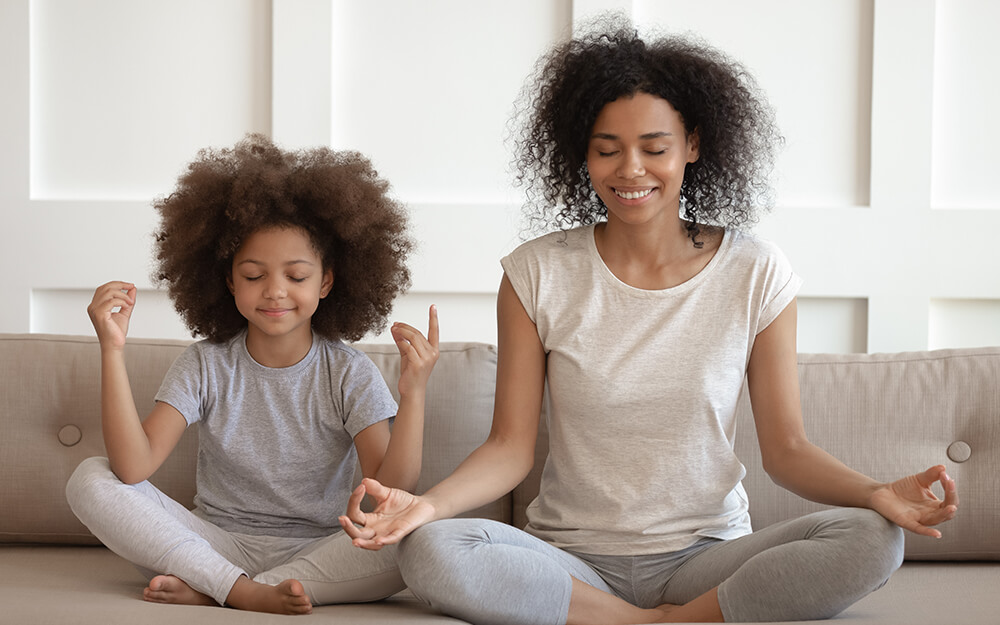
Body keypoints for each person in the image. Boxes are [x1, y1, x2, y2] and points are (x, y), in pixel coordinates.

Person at [337, 17, 959, 625]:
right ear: (581, 154)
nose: (630, 170)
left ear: (693, 145)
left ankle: (678, 614)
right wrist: (426, 506)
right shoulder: (536, 273)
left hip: (707, 556)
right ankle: (654, 620)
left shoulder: (756, 272)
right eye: (607, 150)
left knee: (873, 536)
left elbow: (788, 451)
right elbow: (509, 449)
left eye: (654, 148)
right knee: (430, 547)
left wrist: (875, 492)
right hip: (570, 558)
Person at [65, 134, 439, 615]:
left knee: (420, 530)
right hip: (212, 542)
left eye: (297, 276)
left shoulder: (349, 372)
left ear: (326, 281)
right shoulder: (206, 363)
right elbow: (132, 469)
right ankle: (244, 590)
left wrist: (414, 394)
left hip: (321, 551)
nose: (275, 292)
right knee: (89, 478)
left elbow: (389, 491)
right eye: (254, 275)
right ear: (228, 281)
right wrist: (111, 350)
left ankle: (217, 589)